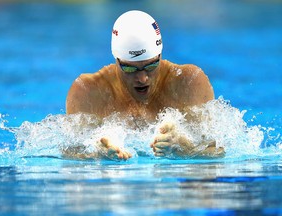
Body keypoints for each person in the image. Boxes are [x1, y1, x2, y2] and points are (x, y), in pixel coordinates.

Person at [65, 10, 225, 161]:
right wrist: (96, 154)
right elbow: (69, 155)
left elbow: (217, 153)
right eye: (130, 68)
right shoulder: (88, 91)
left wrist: (186, 148)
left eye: (151, 66)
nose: (142, 78)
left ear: (160, 55)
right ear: (116, 59)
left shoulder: (188, 83)